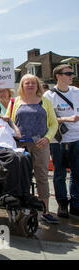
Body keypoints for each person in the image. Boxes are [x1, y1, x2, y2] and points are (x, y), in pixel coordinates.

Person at [7, 74, 59, 224]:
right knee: (22, 177)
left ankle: (45, 211)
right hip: (20, 146)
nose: (30, 85)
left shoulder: (46, 102)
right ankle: (23, 207)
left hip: (40, 145)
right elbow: (8, 121)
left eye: (33, 83)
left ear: (38, 85)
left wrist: (47, 138)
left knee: (42, 176)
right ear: (22, 86)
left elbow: (54, 124)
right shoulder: (15, 102)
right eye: (26, 83)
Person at [43, 64, 79, 218]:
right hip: (57, 140)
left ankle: (76, 204)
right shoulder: (48, 96)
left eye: (72, 73)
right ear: (58, 76)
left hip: (76, 138)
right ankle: (62, 204)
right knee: (59, 173)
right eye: (68, 73)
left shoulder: (76, 92)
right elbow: (45, 119)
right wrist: (66, 119)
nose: (72, 76)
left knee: (77, 173)